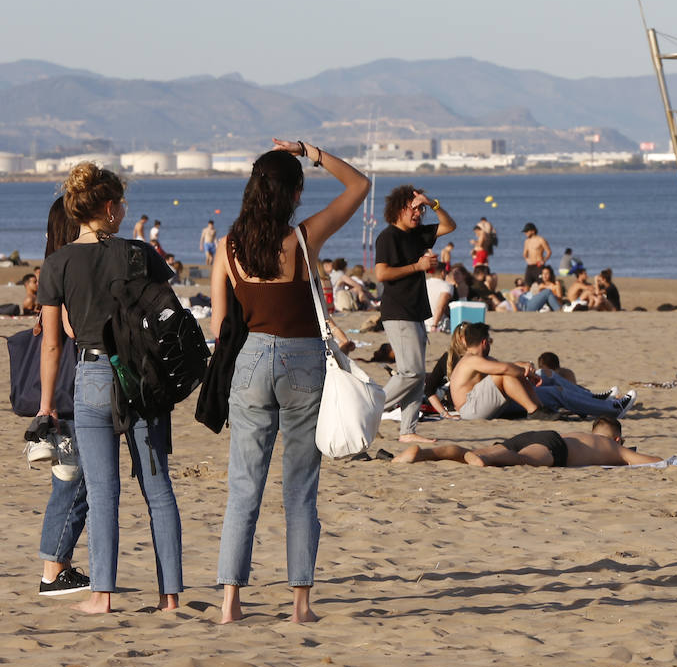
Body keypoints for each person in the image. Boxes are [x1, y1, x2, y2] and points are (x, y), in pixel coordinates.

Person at [210, 139, 370, 624]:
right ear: (293, 194)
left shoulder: (228, 247)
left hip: (252, 357)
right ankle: (300, 605)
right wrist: (312, 151)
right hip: (302, 360)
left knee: (244, 488)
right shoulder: (301, 239)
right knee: (300, 486)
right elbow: (360, 185)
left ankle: (230, 603)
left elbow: (220, 327)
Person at [36, 163, 181, 613]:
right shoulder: (138, 253)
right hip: (139, 376)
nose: (124, 209)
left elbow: (53, 343)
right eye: (121, 203)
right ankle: (170, 597)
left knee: (101, 491)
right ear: (110, 208)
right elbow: (167, 314)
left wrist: (45, 406)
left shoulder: (58, 263)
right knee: (158, 490)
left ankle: (101, 595)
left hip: (92, 375)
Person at [34, 198, 90, 597]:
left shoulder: (52, 270)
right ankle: (54, 569)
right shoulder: (70, 273)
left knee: (67, 478)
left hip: (62, 393)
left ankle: (58, 566)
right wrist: (47, 403)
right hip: (73, 392)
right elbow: (60, 339)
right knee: (75, 480)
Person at [374, 184, 457, 444]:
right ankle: (369, 411)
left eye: (422, 209)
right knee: (410, 372)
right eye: (415, 208)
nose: (419, 213)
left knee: (418, 374)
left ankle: (407, 431)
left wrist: (432, 202)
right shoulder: (388, 237)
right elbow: (381, 274)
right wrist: (417, 266)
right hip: (397, 311)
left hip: (416, 311)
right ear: (399, 209)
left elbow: (450, 225)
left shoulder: (418, 234)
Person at [450, 323, 634, 420]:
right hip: (471, 411)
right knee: (504, 375)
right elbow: (505, 369)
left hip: (489, 406)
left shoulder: (482, 360)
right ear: (484, 342)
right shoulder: (470, 360)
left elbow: (505, 364)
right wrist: (525, 372)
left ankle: (603, 404)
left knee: (553, 387)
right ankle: (535, 410)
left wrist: (527, 367)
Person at [392, 417, 663, 467]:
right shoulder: (615, 447)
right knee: (524, 459)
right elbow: (652, 463)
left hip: (541, 433)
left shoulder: (584, 435)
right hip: (556, 446)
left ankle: (424, 454)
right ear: (617, 437)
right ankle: (487, 458)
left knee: (473, 452)